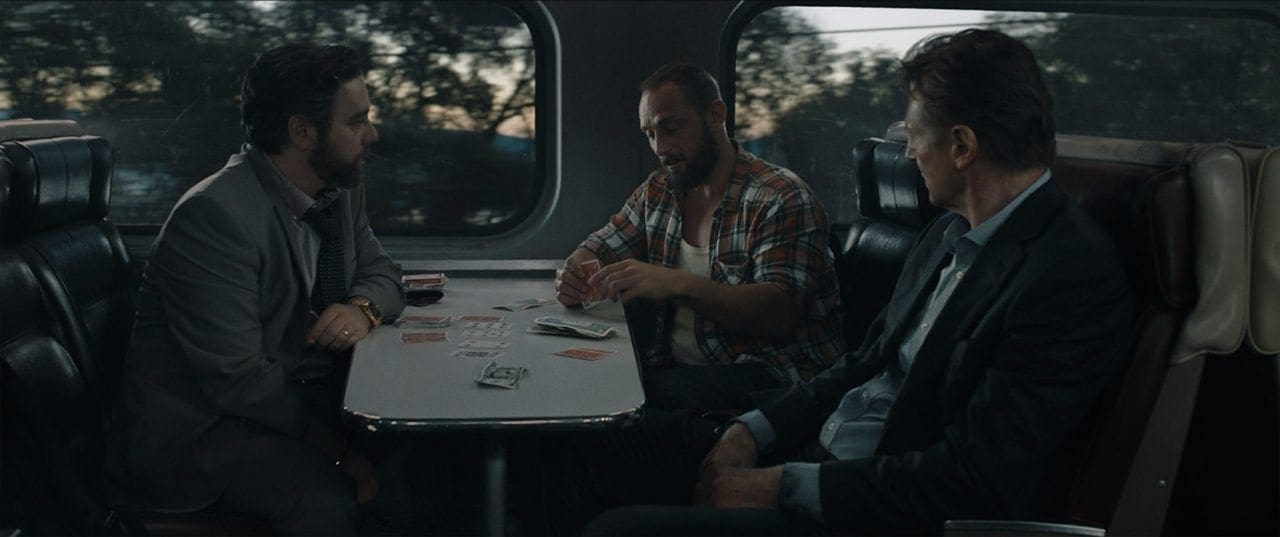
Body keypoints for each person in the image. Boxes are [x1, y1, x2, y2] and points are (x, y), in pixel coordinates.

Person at [583, 29, 1133, 536]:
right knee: (589, 447)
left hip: (873, 508)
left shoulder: (1065, 277)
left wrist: (780, 486)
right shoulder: (947, 234)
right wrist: (752, 430)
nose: (909, 154)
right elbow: (864, 362)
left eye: (914, 136)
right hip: (822, 451)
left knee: (616, 531)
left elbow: (975, 478)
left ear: (962, 146)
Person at [104, 43, 430, 535]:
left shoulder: (338, 191)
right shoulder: (214, 217)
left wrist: (361, 309)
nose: (372, 135)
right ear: (302, 132)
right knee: (330, 499)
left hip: (291, 405)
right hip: (207, 436)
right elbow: (237, 380)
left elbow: (384, 274)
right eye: (356, 121)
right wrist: (339, 450)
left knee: (427, 461)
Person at [555, 62, 844, 412]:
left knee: (623, 403)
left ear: (715, 115)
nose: (661, 148)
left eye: (672, 129)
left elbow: (778, 314)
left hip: (774, 377)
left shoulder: (780, 198)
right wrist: (576, 272)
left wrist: (676, 284)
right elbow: (601, 246)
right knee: (582, 379)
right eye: (650, 134)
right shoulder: (660, 190)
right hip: (681, 368)